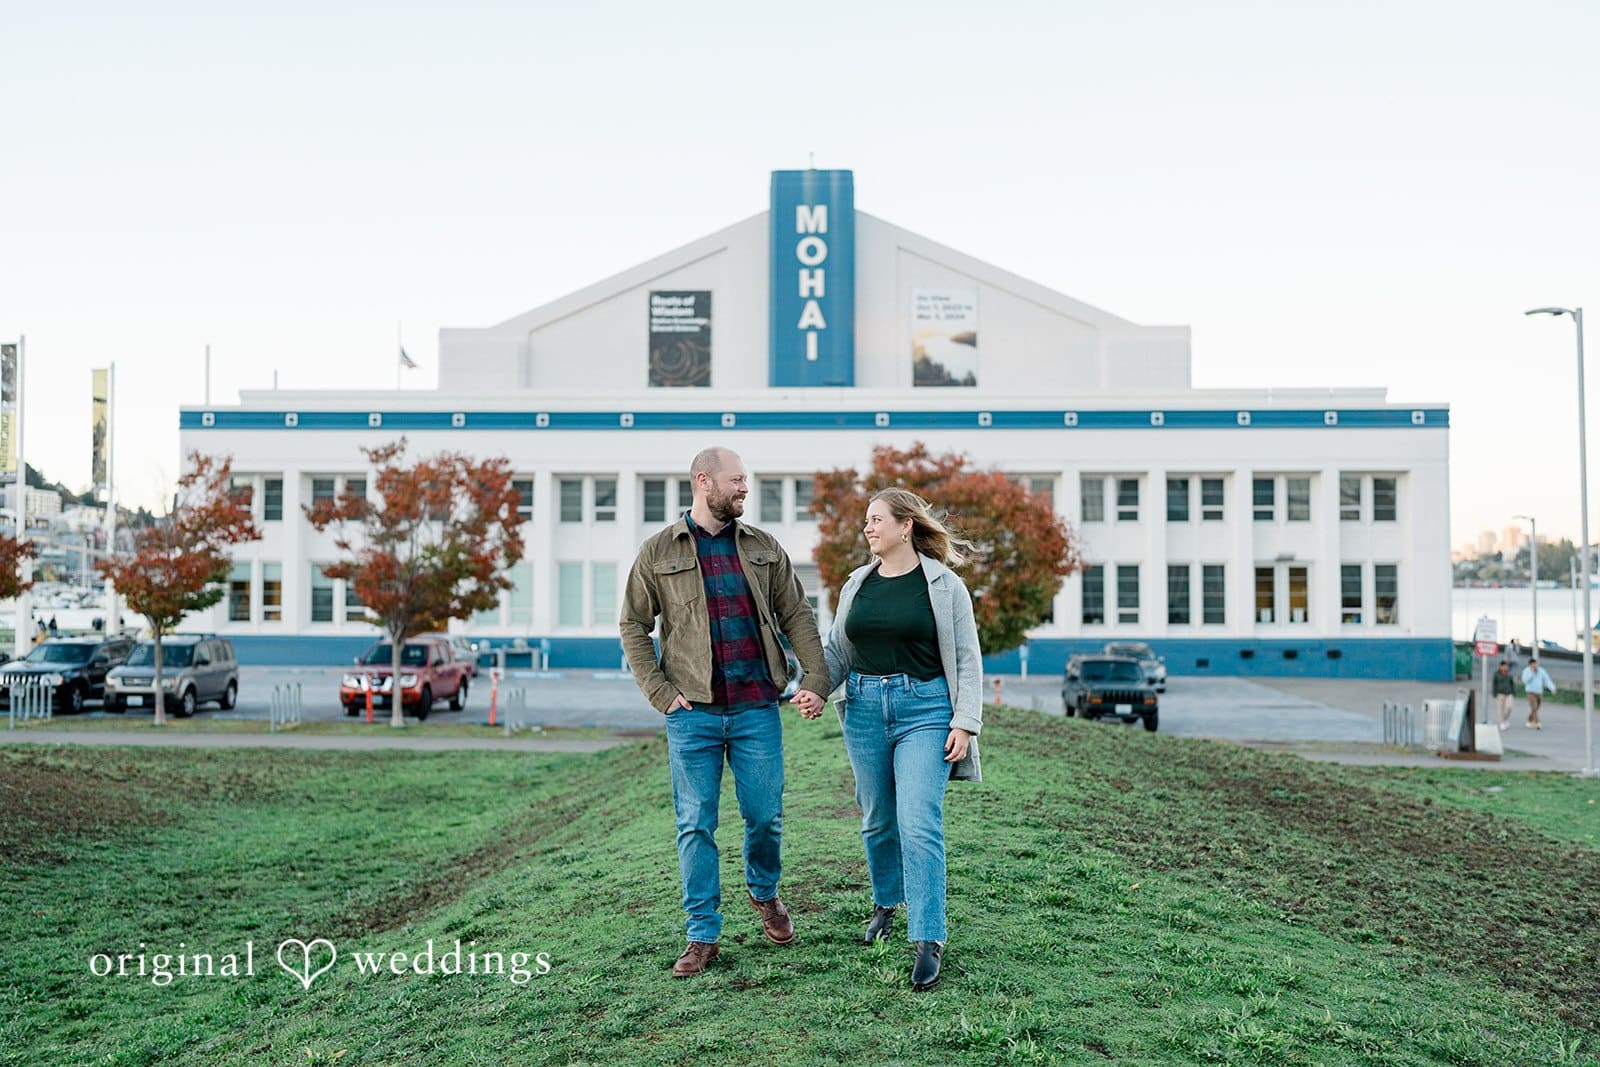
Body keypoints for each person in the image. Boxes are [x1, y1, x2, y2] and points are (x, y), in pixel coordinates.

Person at [620, 446, 829, 978]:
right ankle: (702, 933)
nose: (744, 489)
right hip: (692, 714)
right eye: (736, 481)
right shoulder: (657, 551)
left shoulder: (763, 547)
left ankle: (764, 892)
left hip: (758, 706)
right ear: (702, 481)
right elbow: (633, 627)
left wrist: (818, 679)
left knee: (765, 815)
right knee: (695, 825)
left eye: (746, 481)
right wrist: (660, 693)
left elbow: (797, 615)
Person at [821, 488, 983, 992]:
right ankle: (885, 903)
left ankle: (928, 936)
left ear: (905, 525)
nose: (867, 528)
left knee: (917, 819)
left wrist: (964, 721)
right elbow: (837, 654)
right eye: (865, 521)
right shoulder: (857, 585)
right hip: (865, 709)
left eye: (876, 520)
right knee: (876, 817)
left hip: (927, 710)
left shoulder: (944, 586)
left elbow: (968, 658)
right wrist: (812, 690)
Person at [1520, 658, 1556, 729]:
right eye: (1532, 664)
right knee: (1534, 707)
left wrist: (1552, 688)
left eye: (1535, 664)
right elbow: (1525, 681)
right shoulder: (1526, 671)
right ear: (1530, 665)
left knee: (1536, 708)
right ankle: (1537, 722)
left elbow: (1547, 680)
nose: (1534, 665)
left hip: (1539, 692)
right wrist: (1532, 673)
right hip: (1530, 692)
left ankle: (1529, 720)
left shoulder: (1541, 671)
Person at [1492, 660, 1516, 731]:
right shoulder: (1496, 674)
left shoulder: (1509, 675)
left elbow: (1512, 684)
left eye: (1507, 666)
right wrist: (1494, 693)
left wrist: (1514, 692)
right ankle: (1502, 722)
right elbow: (1494, 684)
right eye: (1504, 666)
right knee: (1500, 709)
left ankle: (1505, 719)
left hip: (1509, 693)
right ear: (1500, 667)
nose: (1505, 667)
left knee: (1509, 707)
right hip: (1500, 693)